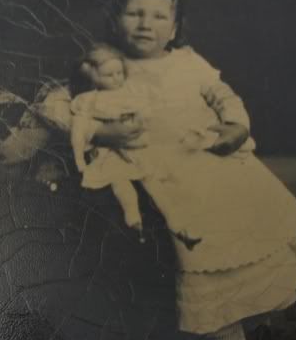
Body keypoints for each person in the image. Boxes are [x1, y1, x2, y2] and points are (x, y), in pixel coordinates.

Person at [36, 0, 296, 340]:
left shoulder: (187, 61)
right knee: (200, 252)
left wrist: (234, 126)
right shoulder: (107, 63)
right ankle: (224, 337)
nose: (146, 24)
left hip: (207, 159)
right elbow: (55, 105)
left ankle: (257, 322)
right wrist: (100, 131)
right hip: (159, 169)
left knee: (246, 239)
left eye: (159, 17)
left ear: (175, 28)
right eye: (135, 13)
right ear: (115, 21)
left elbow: (224, 97)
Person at [69, 42, 202, 247]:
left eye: (119, 73)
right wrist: (78, 157)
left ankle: (181, 229)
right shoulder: (88, 100)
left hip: (137, 149)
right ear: (93, 77)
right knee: (121, 185)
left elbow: (150, 116)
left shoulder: (129, 94)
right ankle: (134, 223)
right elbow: (78, 130)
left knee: (157, 187)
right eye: (108, 75)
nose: (116, 79)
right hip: (109, 152)